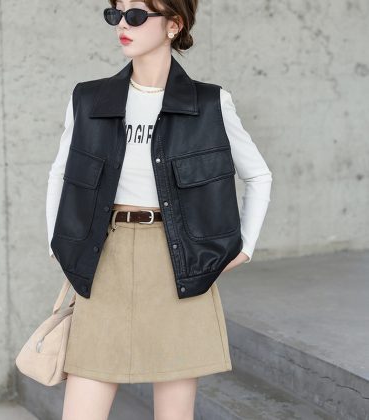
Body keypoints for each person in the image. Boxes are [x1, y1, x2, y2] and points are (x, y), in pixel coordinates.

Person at [46, 0, 272, 419]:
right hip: (105, 258)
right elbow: (61, 173)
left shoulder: (210, 102)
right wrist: (58, 243)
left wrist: (244, 247)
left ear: (173, 25)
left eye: (136, 16)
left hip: (179, 262)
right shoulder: (89, 99)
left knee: (174, 413)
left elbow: (258, 175)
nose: (122, 25)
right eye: (116, 14)